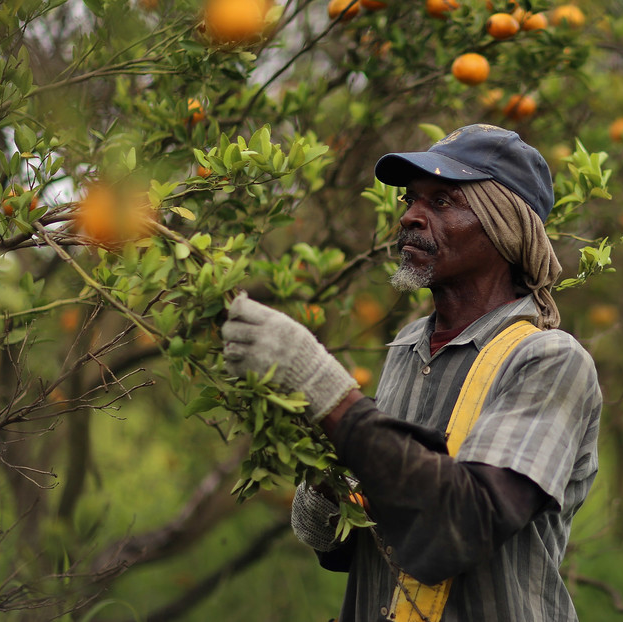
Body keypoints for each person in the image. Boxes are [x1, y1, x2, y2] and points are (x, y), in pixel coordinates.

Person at [222, 123, 601, 621]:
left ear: (504, 227)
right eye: (410, 200)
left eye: (441, 201)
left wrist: (322, 387)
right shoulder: (406, 349)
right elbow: (368, 545)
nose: (409, 217)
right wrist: (330, 488)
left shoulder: (548, 361)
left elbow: (463, 526)